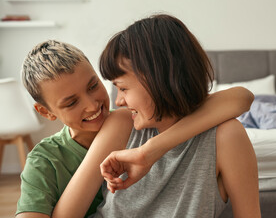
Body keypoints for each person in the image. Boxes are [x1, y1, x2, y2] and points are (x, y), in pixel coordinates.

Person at [16, 40, 254, 218]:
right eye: (71, 102)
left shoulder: (126, 121)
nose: (92, 105)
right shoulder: (45, 160)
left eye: (93, 86)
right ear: (46, 112)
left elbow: (241, 98)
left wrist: (150, 150)